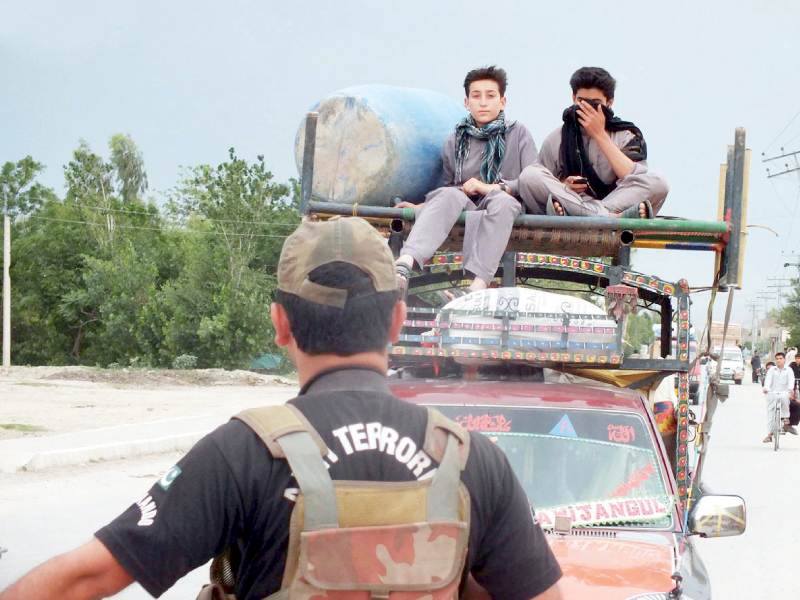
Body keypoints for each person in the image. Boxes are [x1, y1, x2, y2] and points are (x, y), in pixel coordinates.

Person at [0, 217, 563, 600]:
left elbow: (84, 579)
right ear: (396, 320)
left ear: (280, 322)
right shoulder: (472, 461)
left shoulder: (241, 453)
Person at [395, 65, 538, 298]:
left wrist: (492, 187)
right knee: (447, 194)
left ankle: (475, 287)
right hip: (468, 204)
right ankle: (404, 264)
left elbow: (532, 182)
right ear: (466, 102)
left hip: (507, 202)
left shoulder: (518, 133)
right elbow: (453, 188)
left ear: (502, 102)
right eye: (476, 96)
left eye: (490, 96)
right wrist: (423, 206)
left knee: (502, 202)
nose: (483, 102)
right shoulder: (454, 140)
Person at [518, 66, 669, 218]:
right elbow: (543, 185)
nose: (587, 108)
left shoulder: (626, 135)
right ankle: (606, 218)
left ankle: (592, 215)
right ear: (573, 98)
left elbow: (633, 177)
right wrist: (564, 187)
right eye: (582, 101)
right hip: (576, 201)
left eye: (596, 102)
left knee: (659, 182)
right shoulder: (556, 139)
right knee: (529, 175)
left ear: (609, 102)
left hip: (614, 204)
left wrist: (599, 134)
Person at [762, 351, 793, 443]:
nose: (779, 360)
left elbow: (791, 380)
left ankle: (785, 418)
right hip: (772, 393)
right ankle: (769, 435)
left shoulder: (789, 370)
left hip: (784, 392)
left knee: (784, 398)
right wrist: (766, 388)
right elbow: (768, 380)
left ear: (784, 360)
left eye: (781, 359)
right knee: (770, 414)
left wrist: (791, 388)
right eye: (777, 359)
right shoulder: (772, 370)